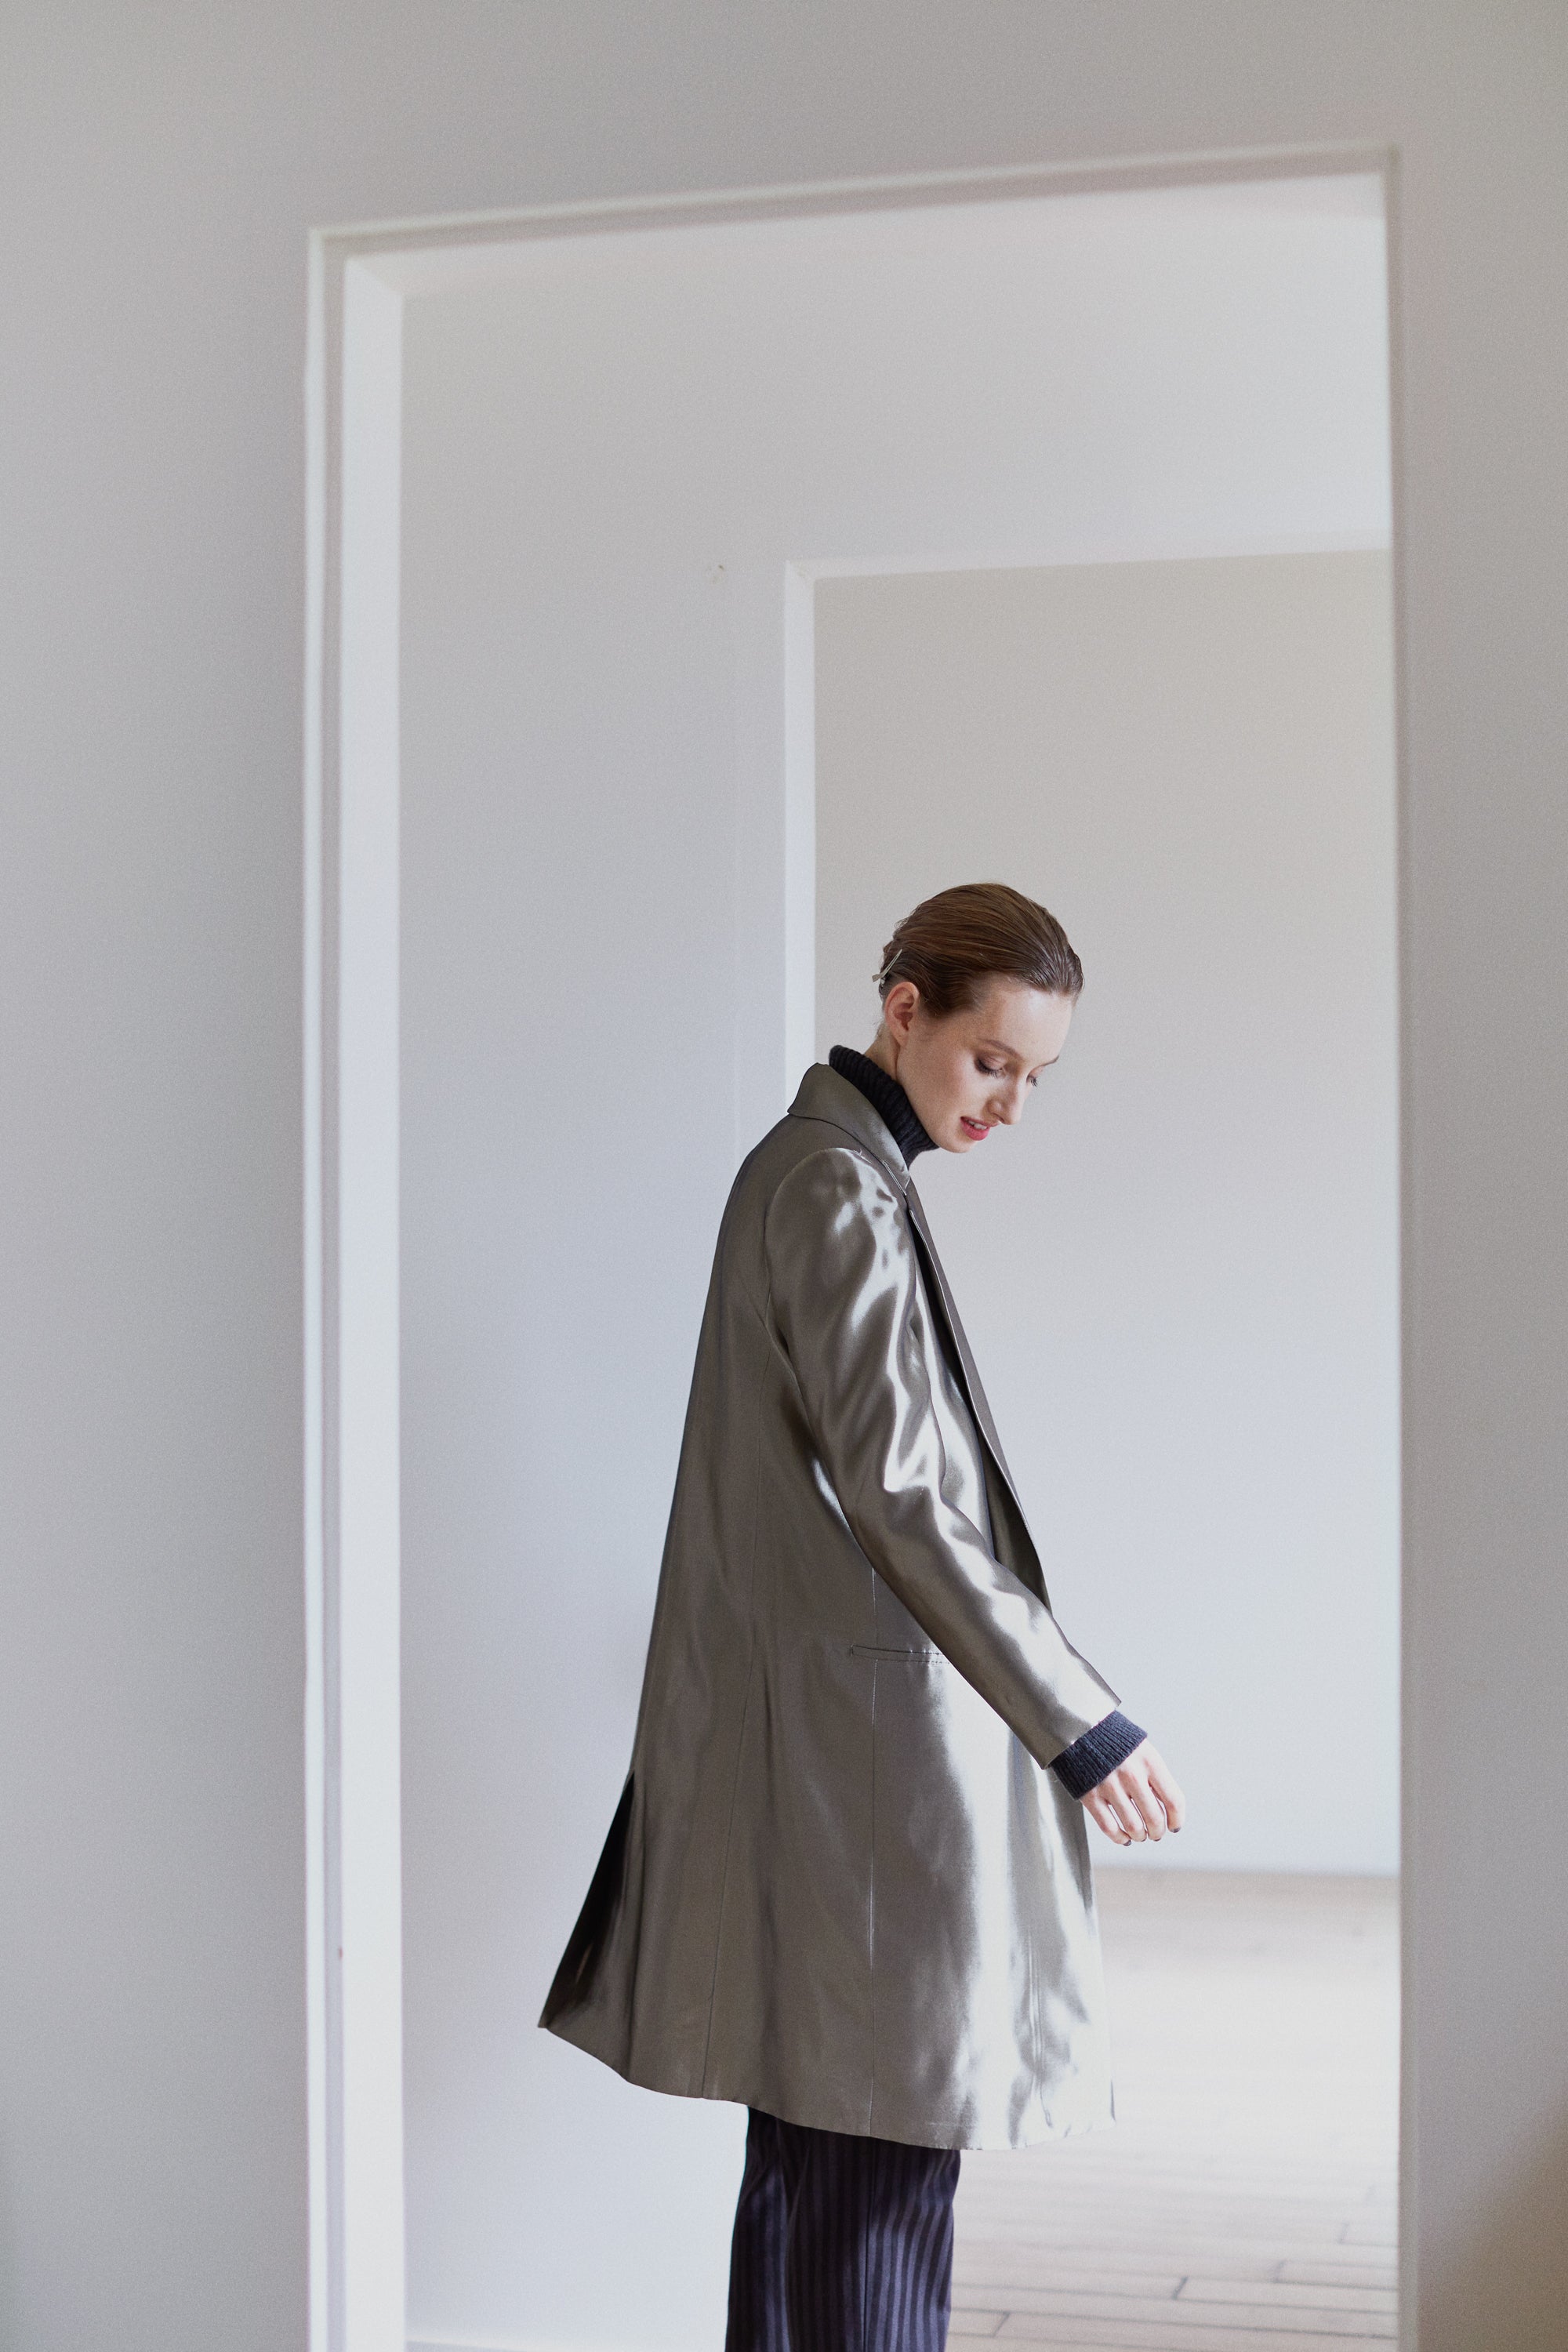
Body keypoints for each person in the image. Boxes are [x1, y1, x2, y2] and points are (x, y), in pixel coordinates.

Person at [541, 880, 1185, 2352]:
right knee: (877, 2171)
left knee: (813, 2175)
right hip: (865, 1767)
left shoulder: (830, 1172)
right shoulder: (835, 1187)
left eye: (1036, 1077)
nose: (1010, 1102)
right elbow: (901, 1497)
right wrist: (1082, 1720)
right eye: (991, 1060)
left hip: (834, 1752)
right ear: (904, 1011)